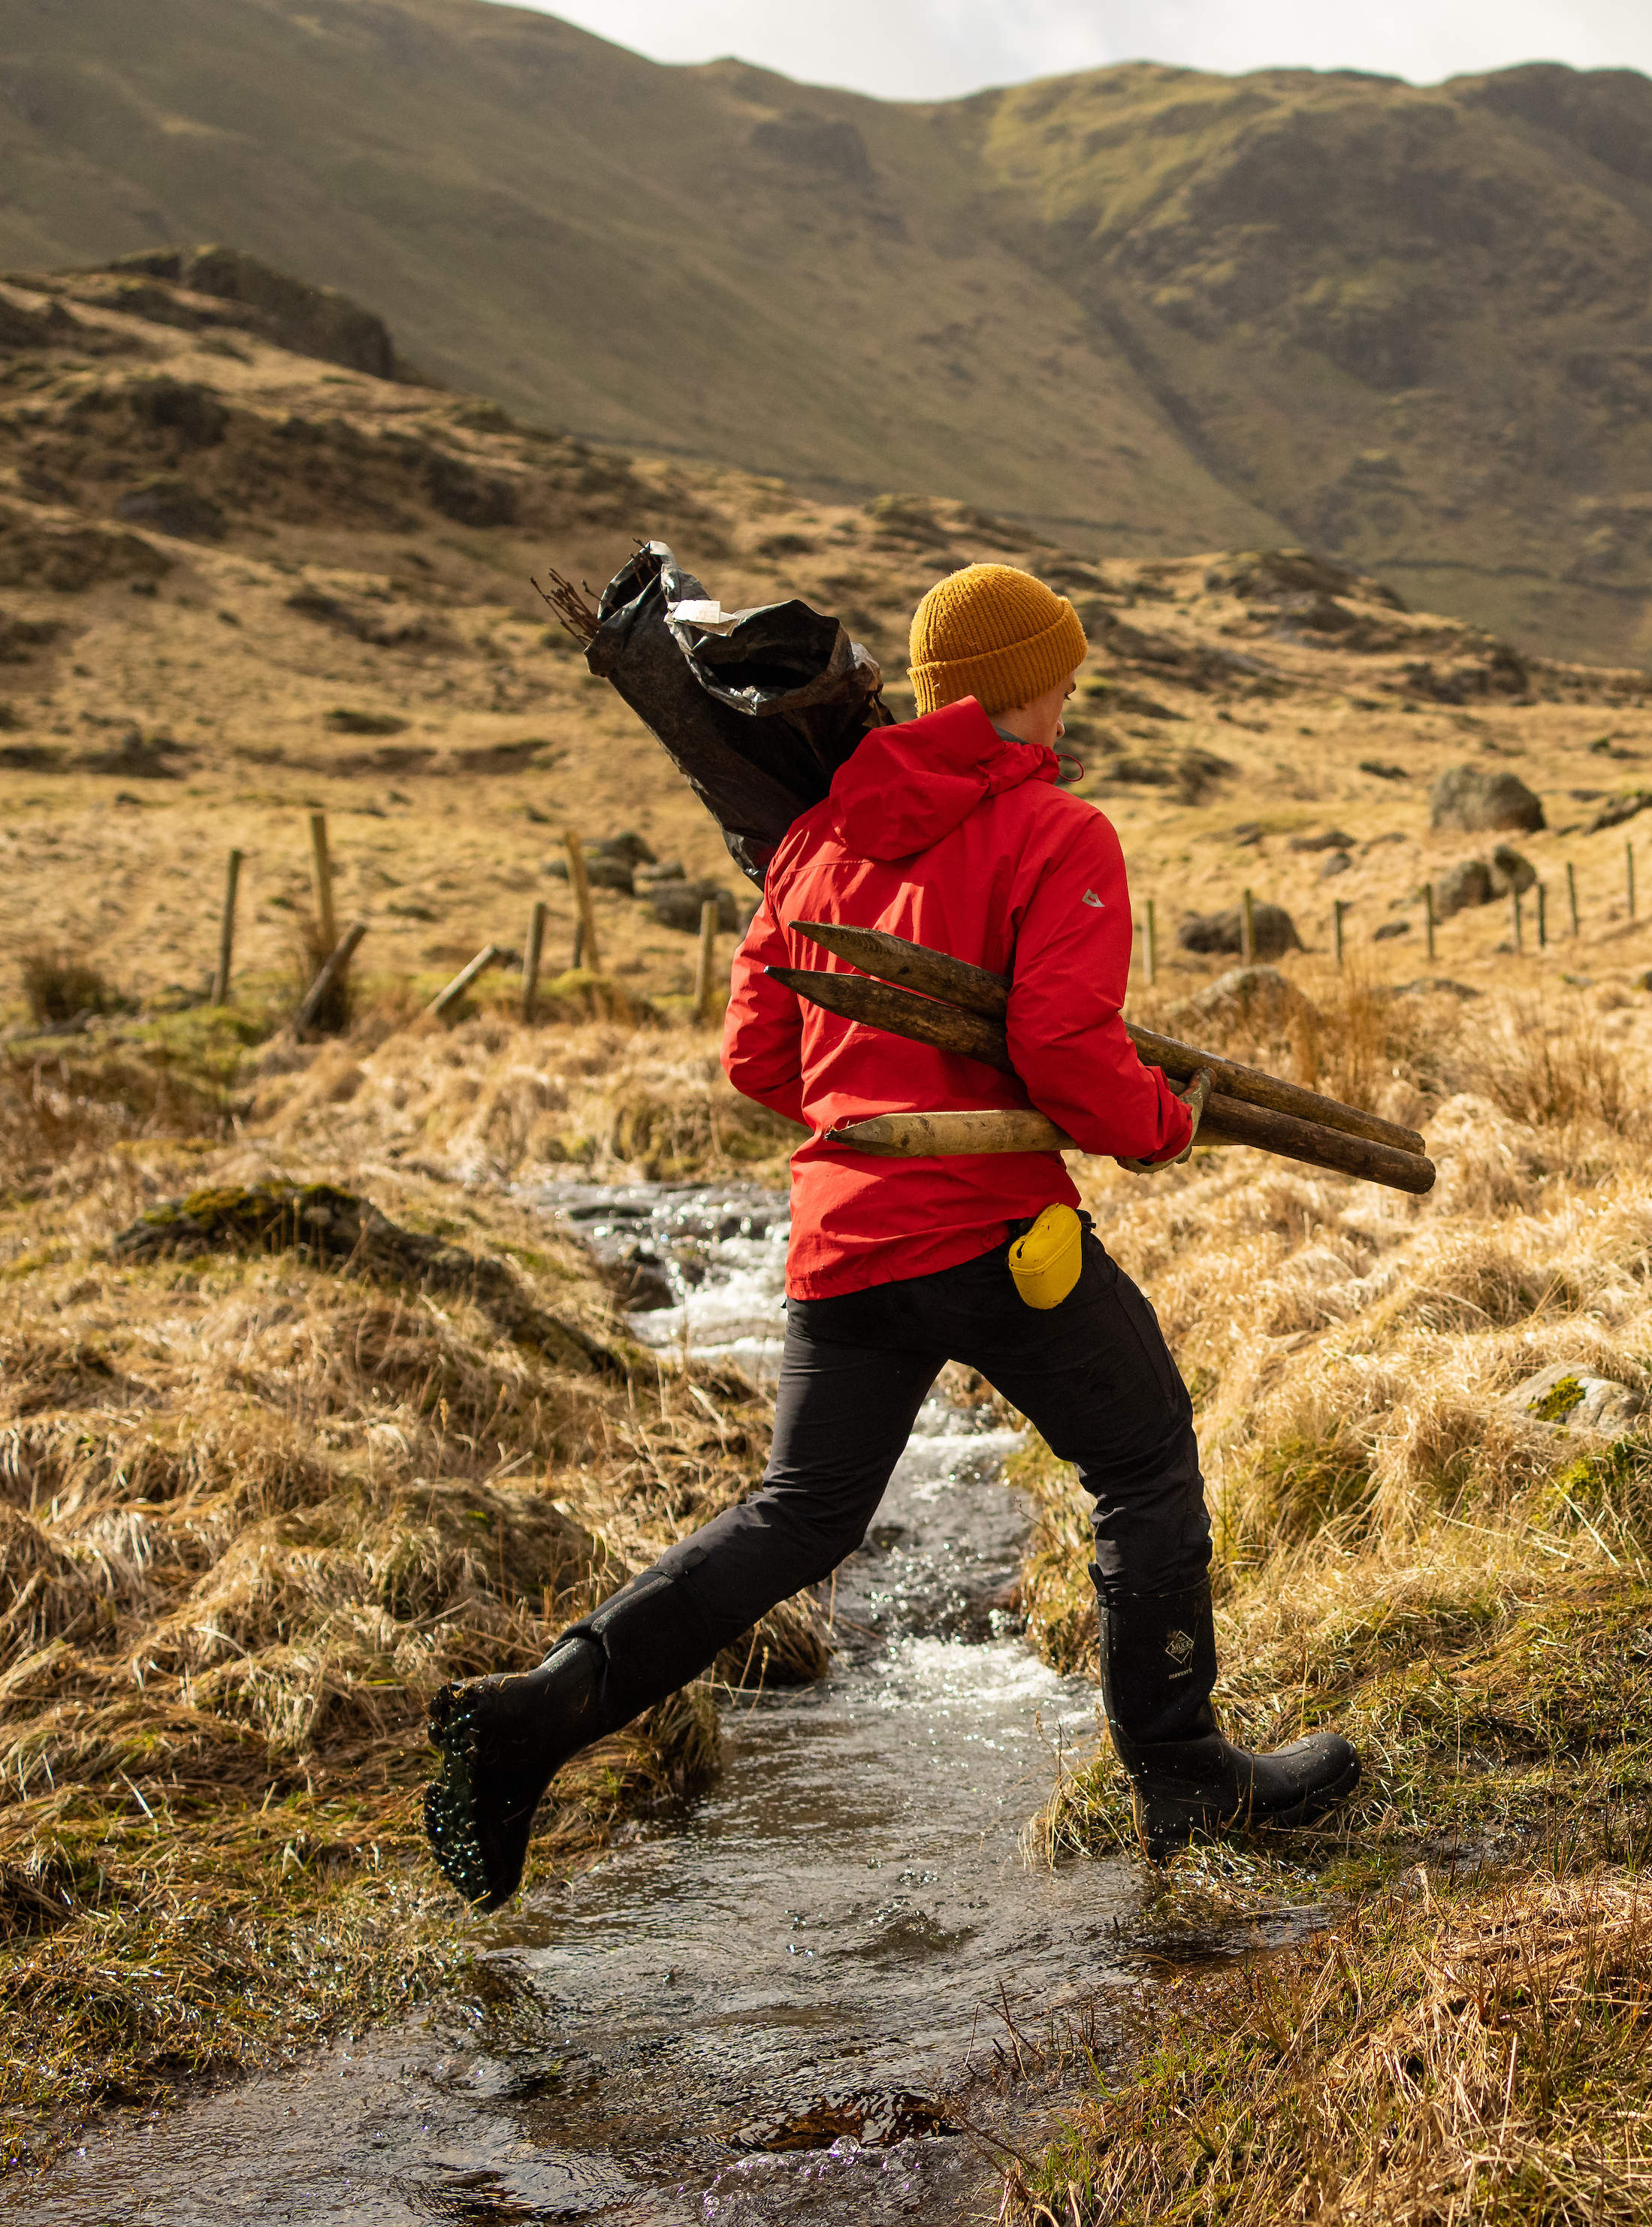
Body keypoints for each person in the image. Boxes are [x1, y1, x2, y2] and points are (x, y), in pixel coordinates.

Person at [422, 563, 1359, 1910]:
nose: (1075, 691)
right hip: (993, 1234)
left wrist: (880, 1092)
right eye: (1067, 672)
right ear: (1030, 685)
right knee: (1143, 1461)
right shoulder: (1060, 832)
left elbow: (760, 1059)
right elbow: (1065, 1052)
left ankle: (538, 1712)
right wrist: (1158, 1126)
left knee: (798, 1517)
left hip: (844, 1234)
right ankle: (1185, 1780)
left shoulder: (814, 839)